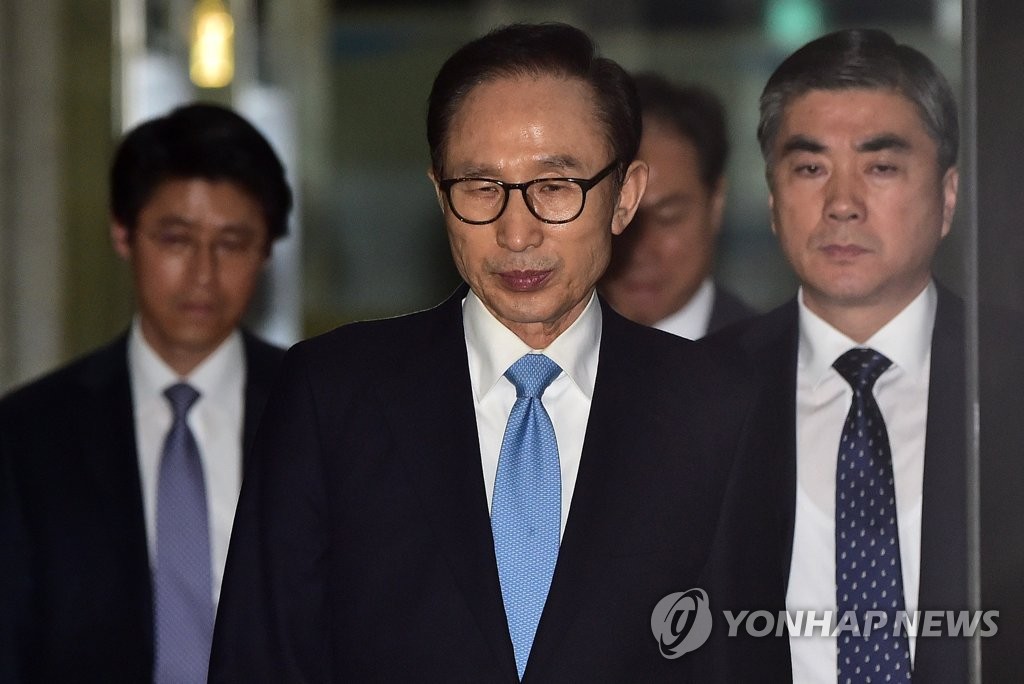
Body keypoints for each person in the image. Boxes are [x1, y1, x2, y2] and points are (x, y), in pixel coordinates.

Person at [209, 22, 763, 682]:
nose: (516, 232)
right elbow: (262, 658)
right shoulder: (333, 396)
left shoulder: (718, 407)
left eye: (554, 186)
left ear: (624, 197)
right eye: (480, 187)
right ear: (440, 195)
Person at [701, 28, 969, 682]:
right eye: (810, 169)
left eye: (880, 168)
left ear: (947, 197)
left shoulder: (1007, 373)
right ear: (772, 201)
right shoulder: (693, 396)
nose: (842, 204)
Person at [0, 103, 292, 682]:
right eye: (176, 240)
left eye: (232, 243)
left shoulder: (320, 413)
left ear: (266, 251)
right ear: (123, 233)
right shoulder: (29, 436)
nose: (203, 274)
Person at [600, 72, 754, 338]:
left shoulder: (774, 359)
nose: (640, 251)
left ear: (715, 204)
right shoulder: (542, 352)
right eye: (621, 215)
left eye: (668, 217)